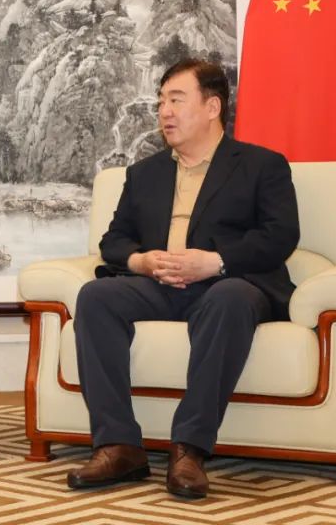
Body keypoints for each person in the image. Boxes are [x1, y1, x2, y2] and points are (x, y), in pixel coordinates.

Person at [67, 59, 299, 499]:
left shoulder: (261, 165)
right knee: (96, 296)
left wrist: (215, 262)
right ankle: (118, 446)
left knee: (230, 298)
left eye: (176, 100)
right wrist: (142, 261)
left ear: (212, 107)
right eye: (161, 103)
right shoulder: (144, 173)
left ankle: (189, 449)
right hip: (158, 285)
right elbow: (113, 240)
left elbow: (280, 235)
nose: (164, 112)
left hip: (226, 284)